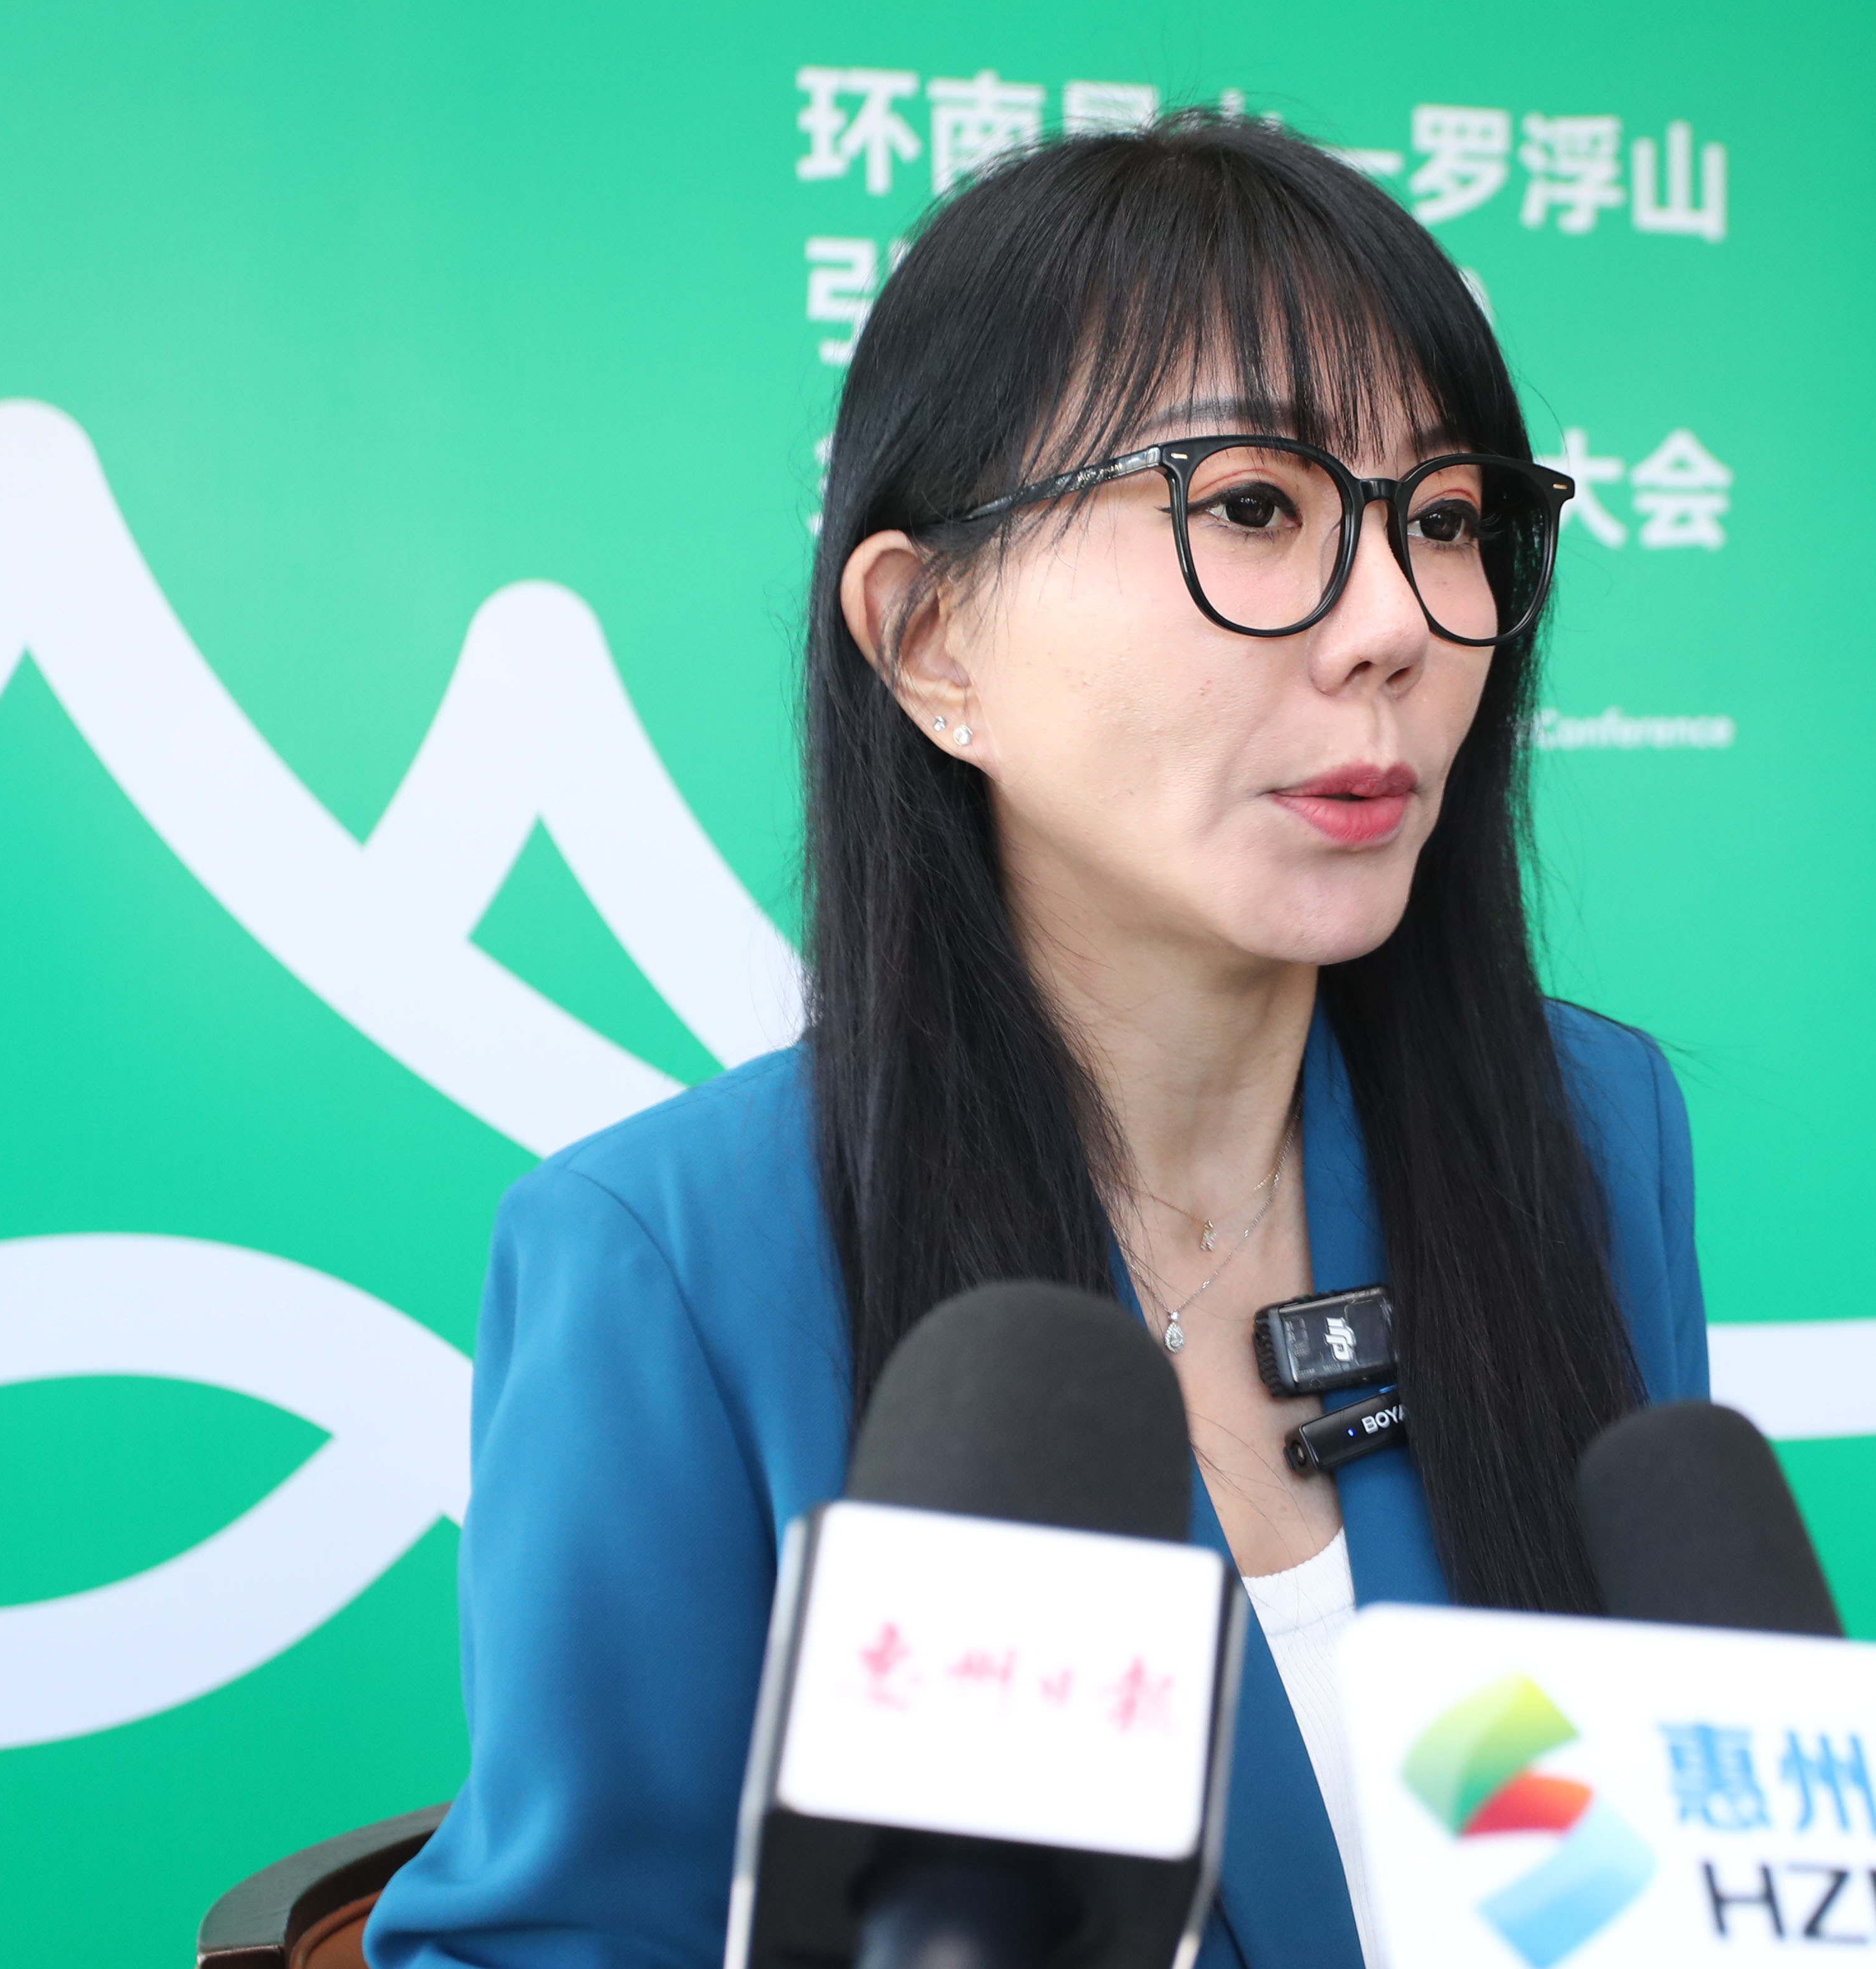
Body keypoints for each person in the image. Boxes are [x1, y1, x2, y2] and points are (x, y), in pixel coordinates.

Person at [365, 112, 1707, 1969]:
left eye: (1447, 521)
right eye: (1253, 508)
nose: (1394, 625)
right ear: (931, 640)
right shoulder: (674, 1259)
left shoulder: (1589, 1132)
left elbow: (1635, 1861)